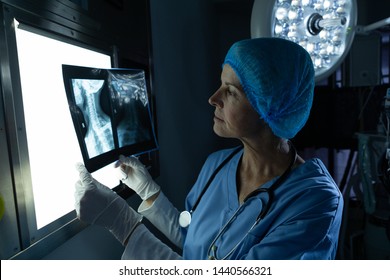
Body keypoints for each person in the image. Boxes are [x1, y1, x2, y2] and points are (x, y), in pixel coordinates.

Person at [74, 37, 344, 260]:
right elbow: (196, 243)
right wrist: (149, 192)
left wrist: (122, 223)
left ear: (269, 108)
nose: (213, 98)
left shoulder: (316, 202)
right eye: (220, 84)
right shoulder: (218, 165)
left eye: (231, 92)